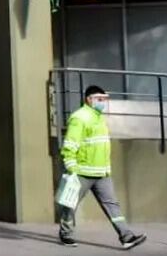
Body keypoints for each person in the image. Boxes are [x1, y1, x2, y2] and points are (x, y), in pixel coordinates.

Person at [58, 85, 147, 249]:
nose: (103, 102)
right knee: (70, 204)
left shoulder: (99, 118)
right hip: (81, 171)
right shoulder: (79, 118)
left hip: (101, 172)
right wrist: (71, 168)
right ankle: (66, 234)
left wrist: (106, 168)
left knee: (112, 205)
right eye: (99, 99)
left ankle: (126, 237)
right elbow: (70, 144)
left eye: (104, 99)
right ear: (88, 100)